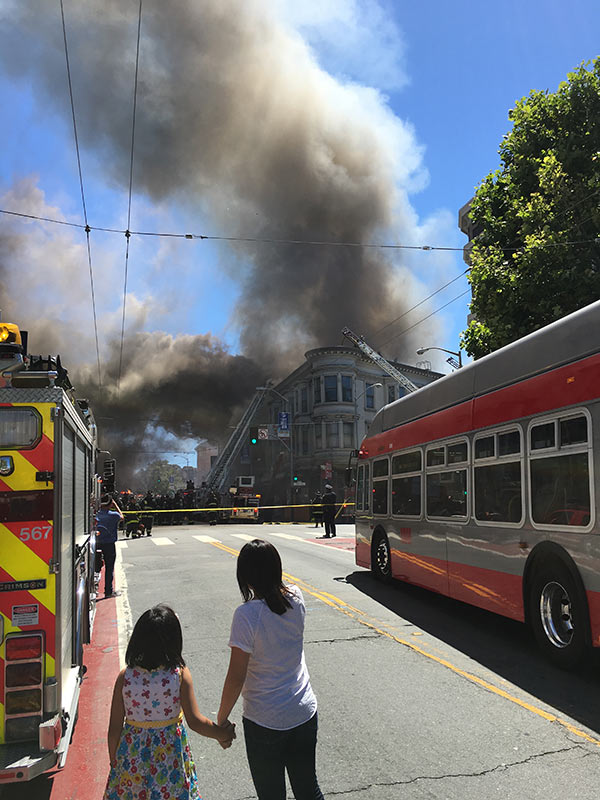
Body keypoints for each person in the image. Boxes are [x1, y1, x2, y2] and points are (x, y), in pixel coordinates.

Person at [217, 539, 324, 800]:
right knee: (308, 789)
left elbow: (236, 677)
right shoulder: (296, 597)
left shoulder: (247, 615)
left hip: (265, 720)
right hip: (303, 712)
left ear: (246, 577)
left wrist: (221, 721)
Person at [104, 605, 235, 800]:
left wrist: (115, 762)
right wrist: (222, 734)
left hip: (132, 759)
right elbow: (195, 721)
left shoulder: (126, 677)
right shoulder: (179, 675)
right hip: (169, 759)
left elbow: (114, 727)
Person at [95, 494, 124, 597]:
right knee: (109, 567)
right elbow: (122, 516)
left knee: (93, 567)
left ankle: (93, 589)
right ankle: (108, 591)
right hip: (109, 544)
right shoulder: (114, 515)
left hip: (96, 544)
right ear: (110, 504)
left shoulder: (96, 515)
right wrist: (115, 505)